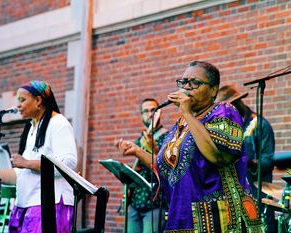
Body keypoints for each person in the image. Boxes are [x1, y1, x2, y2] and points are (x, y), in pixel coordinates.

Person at [117, 61, 264, 232]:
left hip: (219, 218)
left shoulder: (224, 111)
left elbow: (218, 156)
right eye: (183, 82)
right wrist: (137, 151)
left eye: (194, 83)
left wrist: (186, 112)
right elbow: (167, 167)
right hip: (183, 216)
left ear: (213, 90)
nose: (187, 88)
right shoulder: (181, 124)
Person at [0, 80, 77, 233]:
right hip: (27, 202)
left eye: (22, 100)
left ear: (38, 100)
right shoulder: (32, 127)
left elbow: (68, 162)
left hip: (49, 204)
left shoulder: (58, 123)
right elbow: (24, 173)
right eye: (17, 101)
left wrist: (27, 163)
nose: (18, 105)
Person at [216, 85, 276, 233]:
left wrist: (249, 161)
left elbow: (268, 160)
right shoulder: (227, 127)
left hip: (257, 193)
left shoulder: (259, 124)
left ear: (235, 105)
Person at [127, 98, 168, 233]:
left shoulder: (167, 136)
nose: (150, 114)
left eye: (153, 110)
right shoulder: (141, 138)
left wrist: (154, 150)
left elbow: (166, 167)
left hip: (154, 203)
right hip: (135, 203)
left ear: (159, 113)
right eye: (146, 111)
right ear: (141, 115)